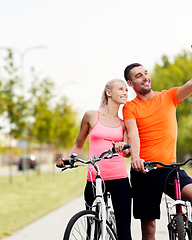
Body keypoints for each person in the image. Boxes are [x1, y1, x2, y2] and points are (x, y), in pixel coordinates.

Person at [122, 43, 192, 240]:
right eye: (138, 76)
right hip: (144, 171)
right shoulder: (130, 108)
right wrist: (136, 158)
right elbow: (133, 134)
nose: (145, 77)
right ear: (130, 84)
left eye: (145, 73)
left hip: (170, 169)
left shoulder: (169, 96)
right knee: (149, 228)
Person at [56, 79, 132, 240]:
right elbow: (78, 145)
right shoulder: (91, 116)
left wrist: (123, 146)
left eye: (126, 89)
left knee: (124, 233)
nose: (125, 92)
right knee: (92, 232)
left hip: (119, 178)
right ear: (108, 92)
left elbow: (127, 153)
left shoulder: (124, 123)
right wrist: (68, 159)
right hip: (94, 178)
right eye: (121, 89)